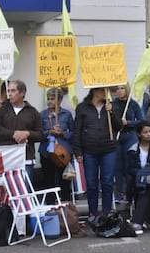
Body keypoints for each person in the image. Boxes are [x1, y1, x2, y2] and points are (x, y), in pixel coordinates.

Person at [73, 87, 123, 217]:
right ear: (95, 91)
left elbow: (119, 126)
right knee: (91, 183)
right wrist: (78, 152)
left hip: (109, 149)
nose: (106, 93)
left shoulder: (112, 106)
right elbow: (77, 130)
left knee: (107, 182)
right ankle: (93, 213)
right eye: (103, 91)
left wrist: (111, 112)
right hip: (89, 150)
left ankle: (106, 213)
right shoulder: (82, 108)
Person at [0, 80, 44, 182]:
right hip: (7, 157)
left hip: (26, 158)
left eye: (13, 91)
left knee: (25, 190)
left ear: (22, 93)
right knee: (9, 191)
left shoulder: (32, 112)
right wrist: (14, 134)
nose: (9, 94)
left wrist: (27, 134)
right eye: (8, 91)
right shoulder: (2, 110)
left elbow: (41, 134)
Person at [37, 88, 74, 201]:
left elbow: (73, 132)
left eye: (53, 99)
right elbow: (38, 134)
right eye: (48, 99)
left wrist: (63, 133)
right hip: (46, 152)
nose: (49, 101)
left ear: (60, 100)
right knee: (49, 182)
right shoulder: (42, 115)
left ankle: (66, 207)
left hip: (63, 152)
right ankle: (51, 208)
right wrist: (49, 132)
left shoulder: (66, 114)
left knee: (65, 181)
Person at [111, 84, 143, 200]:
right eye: (117, 89)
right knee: (117, 166)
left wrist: (128, 123)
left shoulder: (133, 104)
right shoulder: (112, 105)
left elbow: (141, 121)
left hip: (130, 136)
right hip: (117, 137)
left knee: (129, 166)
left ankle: (130, 193)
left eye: (122, 88)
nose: (119, 91)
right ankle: (119, 193)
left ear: (127, 89)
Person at [125, 121, 150, 206]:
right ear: (139, 134)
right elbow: (130, 169)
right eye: (145, 132)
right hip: (139, 177)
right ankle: (137, 209)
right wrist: (141, 174)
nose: (148, 134)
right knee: (134, 185)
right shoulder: (133, 150)